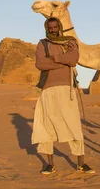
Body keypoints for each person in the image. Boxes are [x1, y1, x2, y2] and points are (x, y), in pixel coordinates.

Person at [31, 17, 95, 175]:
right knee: (47, 126)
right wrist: (63, 62)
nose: (52, 29)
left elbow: (73, 59)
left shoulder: (69, 42)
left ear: (59, 27)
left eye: (55, 26)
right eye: (50, 27)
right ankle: (50, 164)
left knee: (73, 124)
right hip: (48, 90)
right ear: (47, 28)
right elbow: (40, 64)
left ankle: (81, 163)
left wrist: (54, 59)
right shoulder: (42, 44)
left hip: (67, 89)